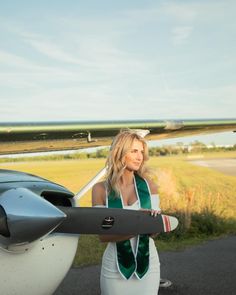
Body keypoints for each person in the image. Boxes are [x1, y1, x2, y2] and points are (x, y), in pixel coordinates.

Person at [92, 129, 161, 295]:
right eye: (134, 151)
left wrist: (153, 224)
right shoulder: (101, 190)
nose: (140, 157)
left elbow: (154, 233)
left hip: (148, 265)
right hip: (114, 267)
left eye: (142, 152)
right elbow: (103, 235)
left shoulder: (149, 187)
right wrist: (138, 223)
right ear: (120, 152)